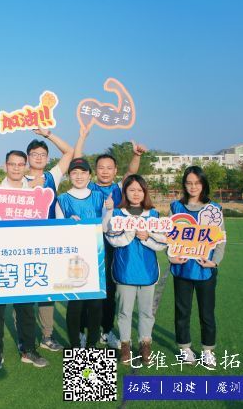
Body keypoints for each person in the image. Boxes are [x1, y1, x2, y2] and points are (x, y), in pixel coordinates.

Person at [74, 129, 146, 349]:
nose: (105, 171)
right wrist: (82, 137)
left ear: (115, 171)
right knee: (85, 287)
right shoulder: (88, 187)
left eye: (109, 168)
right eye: (101, 168)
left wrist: (136, 155)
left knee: (109, 290)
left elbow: (131, 172)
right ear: (94, 171)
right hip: (88, 245)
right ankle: (82, 331)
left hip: (113, 246)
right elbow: (77, 160)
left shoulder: (118, 188)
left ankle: (106, 331)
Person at [0, 150, 47, 369]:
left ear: (25, 167)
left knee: (26, 308)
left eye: (20, 164)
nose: (16, 168)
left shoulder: (34, 193)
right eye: (12, 164)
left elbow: (42, 224)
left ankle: (28, 349)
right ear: (5, 166)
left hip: (26, 257)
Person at [16, 129, 74, 352]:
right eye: (34, 154)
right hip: (22, 243)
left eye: (42, 154)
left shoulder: (52, 177)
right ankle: (24, 337)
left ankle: (47, 336)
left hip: (48, 241)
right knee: (23, 291)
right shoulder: (18, 179)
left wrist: (48, 134)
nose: (39, 157)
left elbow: (69, 152)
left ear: (47, 158)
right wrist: (29, 187)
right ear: (28, 157)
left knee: (47, 289)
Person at [103, 174, 167, 365]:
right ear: (125, 192)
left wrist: (147, 236)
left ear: (145, 192)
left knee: (146, 312)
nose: (136, 193)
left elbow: (163, 242)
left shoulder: (153, 214)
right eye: (131, 190)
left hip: (147, 271)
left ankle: (145, 344)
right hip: (125, 270)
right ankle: (125, 346)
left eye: (140, 190)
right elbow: (111, 238)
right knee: (124, 311)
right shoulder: (117, 213)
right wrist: (129, 233)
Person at [169, 166, 226, 369]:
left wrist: (214, 262)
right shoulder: (176, 206)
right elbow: (169, 236)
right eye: (189, 183)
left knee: (207, 313)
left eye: (197, 183)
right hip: (182, 270)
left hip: (205, 269)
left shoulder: (214, 208)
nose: (193, 187)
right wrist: (172, 257)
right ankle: (185, 347)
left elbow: (221, 240)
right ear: (184, 185)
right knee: (182, 311)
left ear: (203, 184)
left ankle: (208, 350)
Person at [55, 157, 109, 349]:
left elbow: (105, 227)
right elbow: (59, 231)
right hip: (74, 260)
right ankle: (76, 345)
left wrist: (110, 210)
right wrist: (68, 223)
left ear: (89, 175)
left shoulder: (100, 198)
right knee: (75, 304)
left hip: (97, 257)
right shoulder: (62, 200)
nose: (79, 176)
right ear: (69, 176)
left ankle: (92, 345)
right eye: (74, 173)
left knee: (95, 305)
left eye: (83, 172)